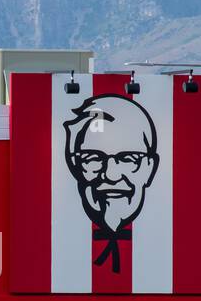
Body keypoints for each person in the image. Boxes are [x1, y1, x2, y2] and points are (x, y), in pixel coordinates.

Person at [63, 94, 160, 273]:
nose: (111, 175)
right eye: (93, 158)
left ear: (150, 167)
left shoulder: (170, 243)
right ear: (75, 165)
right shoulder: (56, 239)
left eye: (128, 159)